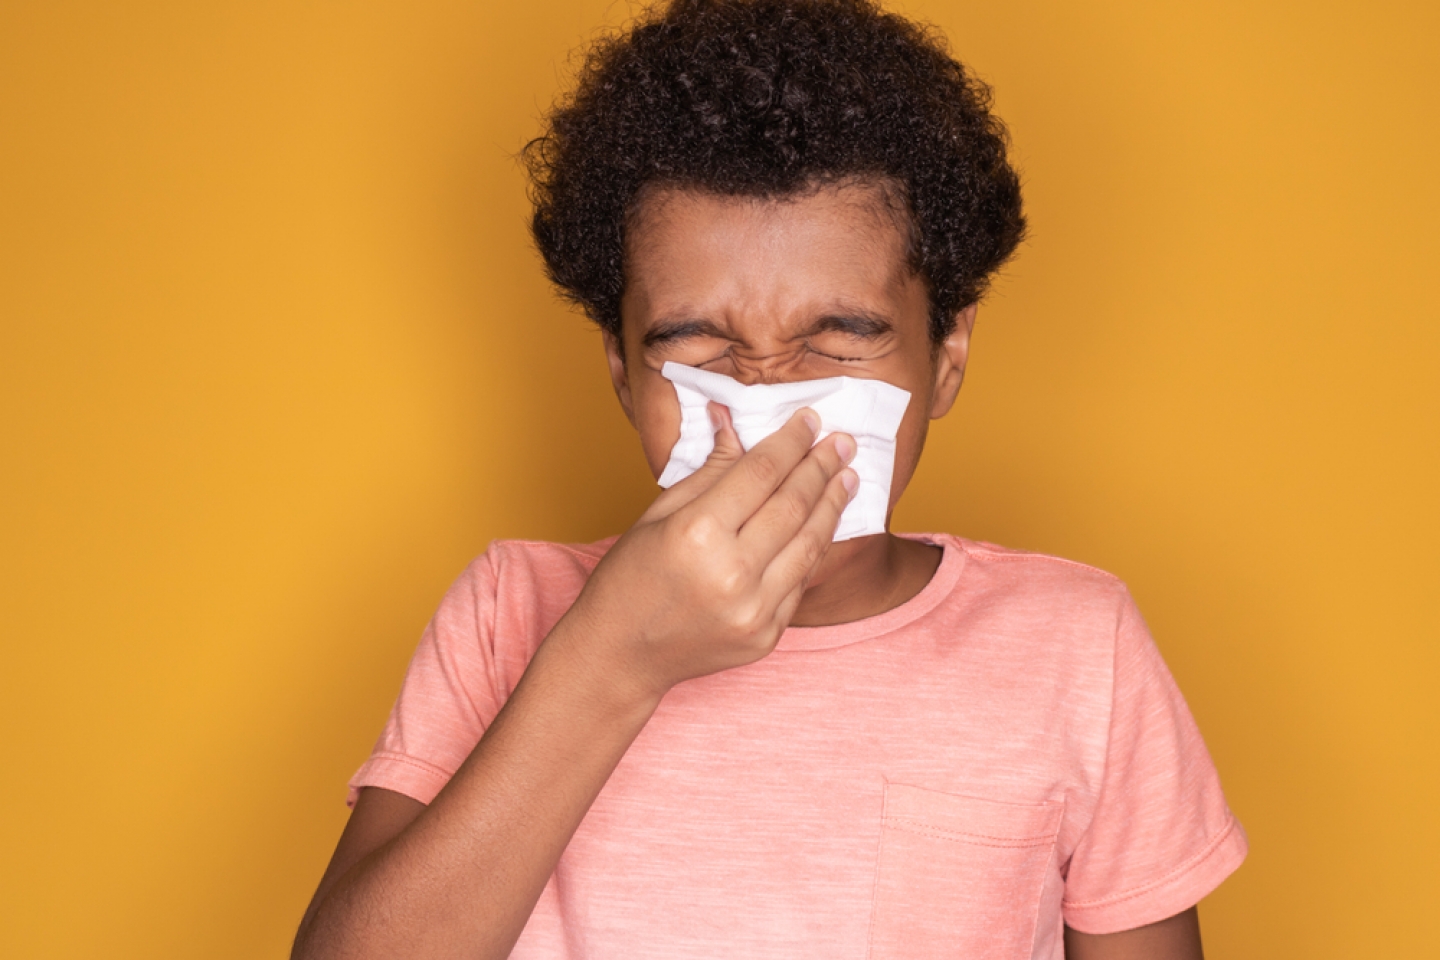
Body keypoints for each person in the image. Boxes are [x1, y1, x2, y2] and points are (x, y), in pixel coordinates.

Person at [291, 1, 1246, 957]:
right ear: (623, 371)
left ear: (945, 356)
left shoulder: (1078, 648)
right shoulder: (509, 612)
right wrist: (610, 659)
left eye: (839, 340)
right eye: (698, 345)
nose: (773, 404)